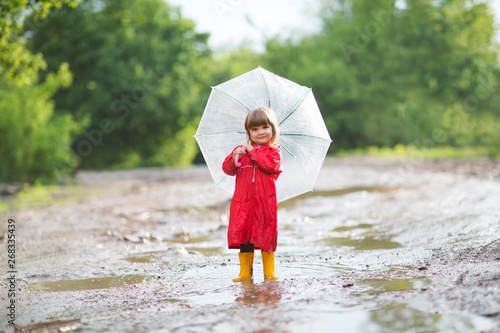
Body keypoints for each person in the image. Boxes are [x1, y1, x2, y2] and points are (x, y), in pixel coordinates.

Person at [222, 106, 282, 282]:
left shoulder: (274, 151)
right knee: (244, 236)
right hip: (243, 202)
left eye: (264, 127)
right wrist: (235, 156)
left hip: (265, 202)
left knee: (266, 235)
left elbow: (271, 166)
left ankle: (269, 272)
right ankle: (245, 272)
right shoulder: (242, 150)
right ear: (248, 131)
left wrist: (253, 151)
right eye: (254, 129)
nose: (260, 132)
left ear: (273, 129)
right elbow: (227, 169)